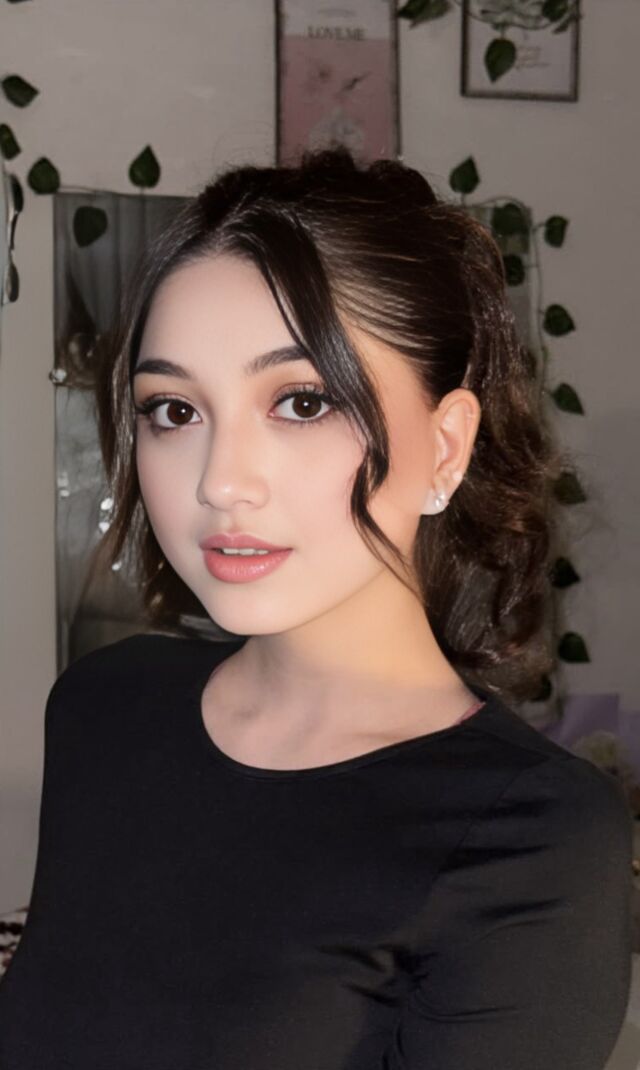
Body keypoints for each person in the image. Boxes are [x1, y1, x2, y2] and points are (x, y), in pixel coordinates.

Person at [0, 149, 632, 1069]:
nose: (220, 482)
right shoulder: (105, 706)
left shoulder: (530, 838)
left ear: (446, 448)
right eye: (173, 410)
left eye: (301, 401)